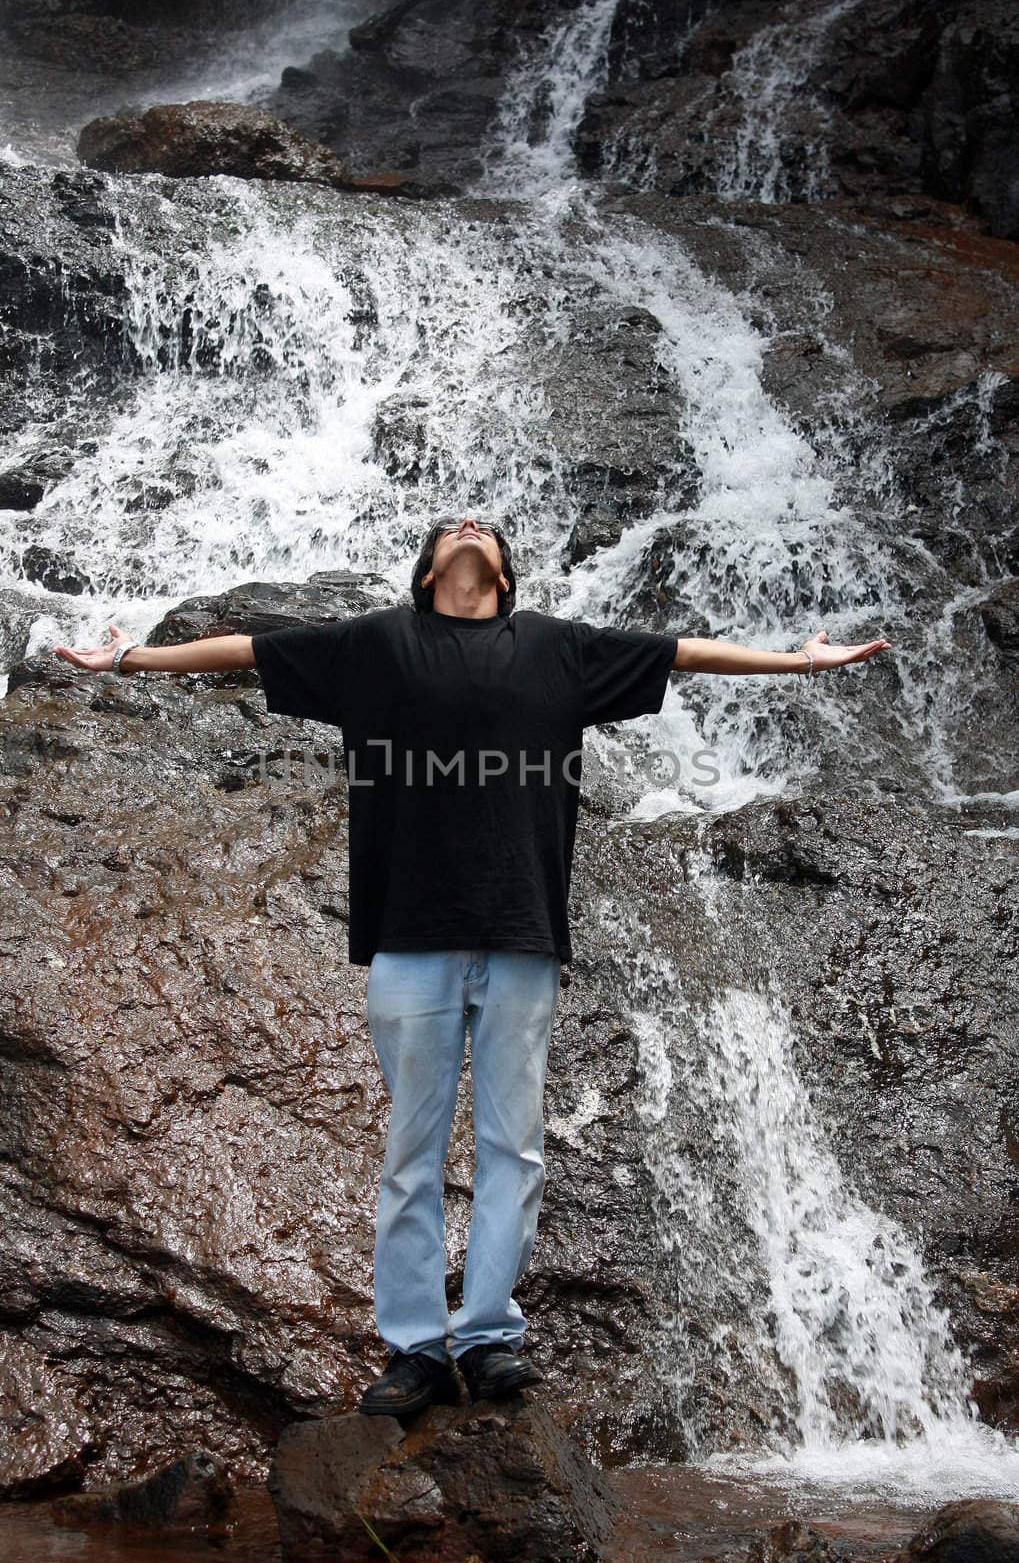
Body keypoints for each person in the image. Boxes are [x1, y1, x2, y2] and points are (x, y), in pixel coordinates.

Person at [52, 515, 891, 1415]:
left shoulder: (561, 649)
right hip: (408, 937)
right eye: (451, 527)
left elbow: (685, 653)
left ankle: (489, 1335)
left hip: (521, 935)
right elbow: (245, 651)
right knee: (411, 1157)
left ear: (505, 569)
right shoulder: (374, 645)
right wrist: (129, 660)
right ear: (424, 573)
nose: (467, 528)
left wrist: (799, 663)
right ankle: (414, 1348)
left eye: (484, 527)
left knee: (513, 1152)